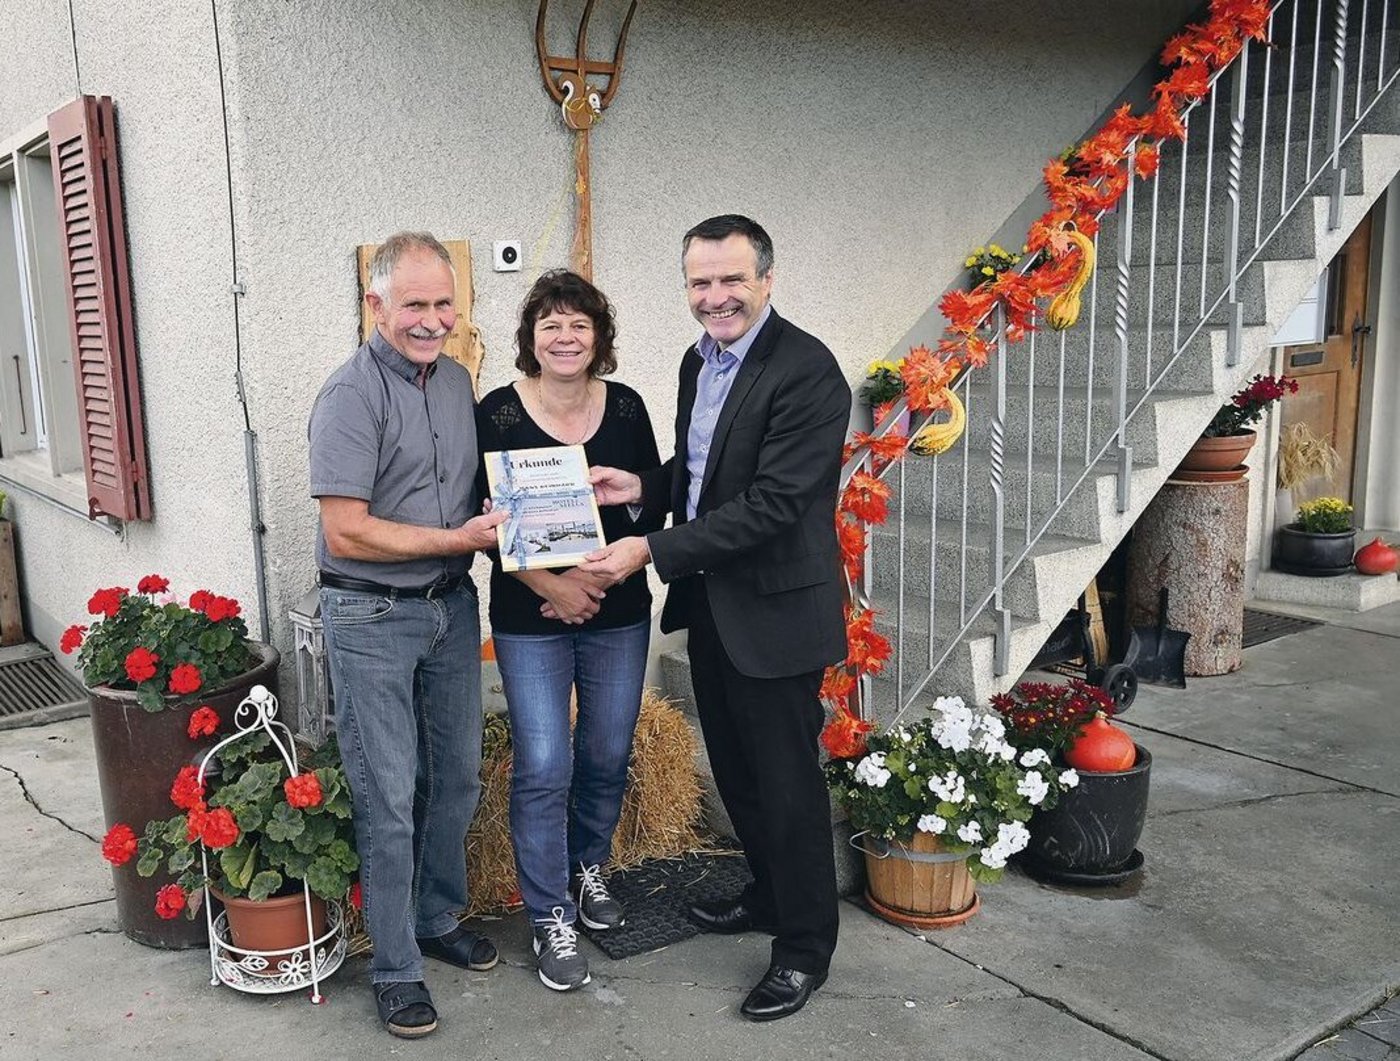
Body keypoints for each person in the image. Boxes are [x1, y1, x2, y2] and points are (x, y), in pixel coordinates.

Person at [583, 215, 850, 1022]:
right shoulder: (698, 362)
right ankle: (767, 896)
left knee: (788, 786)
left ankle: (804, 948)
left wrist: (650, 548)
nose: (715, 296)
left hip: (776, 614)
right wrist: (643, 487)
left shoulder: (807, 370)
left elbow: (772, 503)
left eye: (732, 279)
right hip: (715, 607)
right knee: (737, 771)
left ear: (767, 279)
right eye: (700, 282)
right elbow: (705, 473)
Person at [308, 231, 506, 1040]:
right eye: (414, 303)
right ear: (376, 304)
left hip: (450, 608)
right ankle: (394, 966)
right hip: (372, 616)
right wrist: (458, 539)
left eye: (444, 303)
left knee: (456, 777)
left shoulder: (456, 381)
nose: (432, 319)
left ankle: (435, 914)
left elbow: (475, 485)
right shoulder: (349, 395)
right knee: (388, 796)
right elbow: (346, 530)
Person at [475, 269, 663, 992]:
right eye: (550, 323)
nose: (564, 336)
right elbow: (481, 521)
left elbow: (650, 508)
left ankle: (588, 868)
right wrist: (555, 585)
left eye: (579, 324)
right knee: (546, 762)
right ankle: (548, 912)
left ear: (598, 337)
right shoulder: (497, 412)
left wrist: (600, 581)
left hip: (618, 610)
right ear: (530, 337)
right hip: (532, 617)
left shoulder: (628, 406)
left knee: (608, 753)